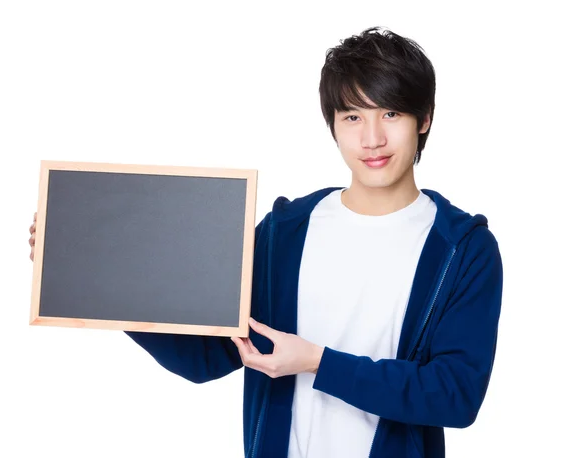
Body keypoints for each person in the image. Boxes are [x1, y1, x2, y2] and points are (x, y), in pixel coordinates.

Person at [29, 26, 503, 458]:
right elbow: (205, 356)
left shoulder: (462, 249)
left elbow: (455, 395)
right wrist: (94, 273)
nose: (372, 138)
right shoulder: (284, 232)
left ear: (423, 119)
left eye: (391, 113)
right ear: (334, 125)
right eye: (353, 116)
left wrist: (318, 362)